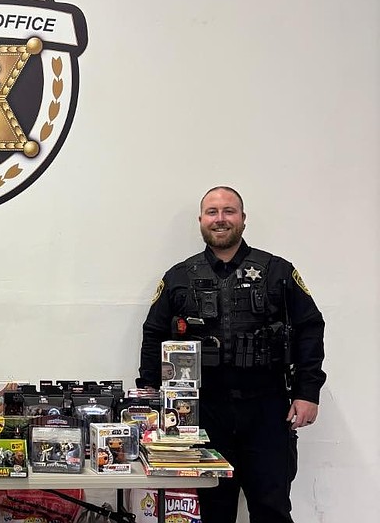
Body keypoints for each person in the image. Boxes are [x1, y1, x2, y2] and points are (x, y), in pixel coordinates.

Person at [137, 186, 325, 523]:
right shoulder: (179, 276)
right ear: (201, 220)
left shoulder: (278, 272)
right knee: (212, 509)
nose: (220, 219)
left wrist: (307, 392)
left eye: (228, 211)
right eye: (212, 212)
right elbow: (153, 335)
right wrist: (150, 400)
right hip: (200, 412)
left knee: (272, 508)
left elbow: (310, 327)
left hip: (267, 408)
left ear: (242, 219)